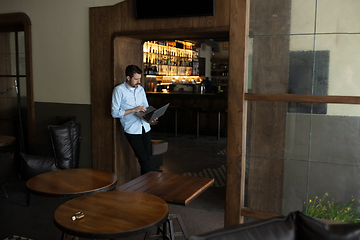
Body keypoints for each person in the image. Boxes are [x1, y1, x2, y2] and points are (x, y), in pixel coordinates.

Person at [111, 65, 153, 175]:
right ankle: (153, 181)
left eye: (140, 79)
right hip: (132, 130)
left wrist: (151, 115)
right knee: (143, 159)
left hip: (145, 127)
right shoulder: (118, 90)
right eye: (136, 79)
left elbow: (146, 107)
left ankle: (147, 186)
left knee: (147, 158)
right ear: (128, 78)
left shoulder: (141, 90)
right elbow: (114, 113)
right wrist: (134, 109)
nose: (139, 81)